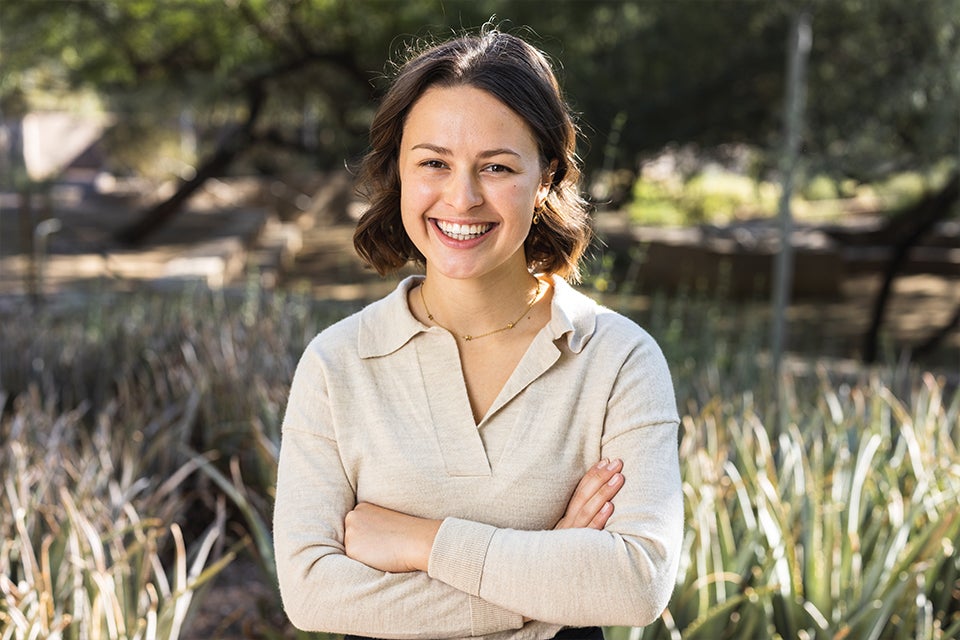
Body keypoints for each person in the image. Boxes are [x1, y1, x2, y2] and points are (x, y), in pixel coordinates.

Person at [273, 25, 683, 640]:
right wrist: (548, 577)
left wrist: (422, 541)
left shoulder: (618, 360)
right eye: (434, 163)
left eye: (495, 167)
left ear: (546, 176)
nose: (461, 198)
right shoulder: (338, 363)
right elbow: (311, 592)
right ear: (398, 173)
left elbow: (636, 580)